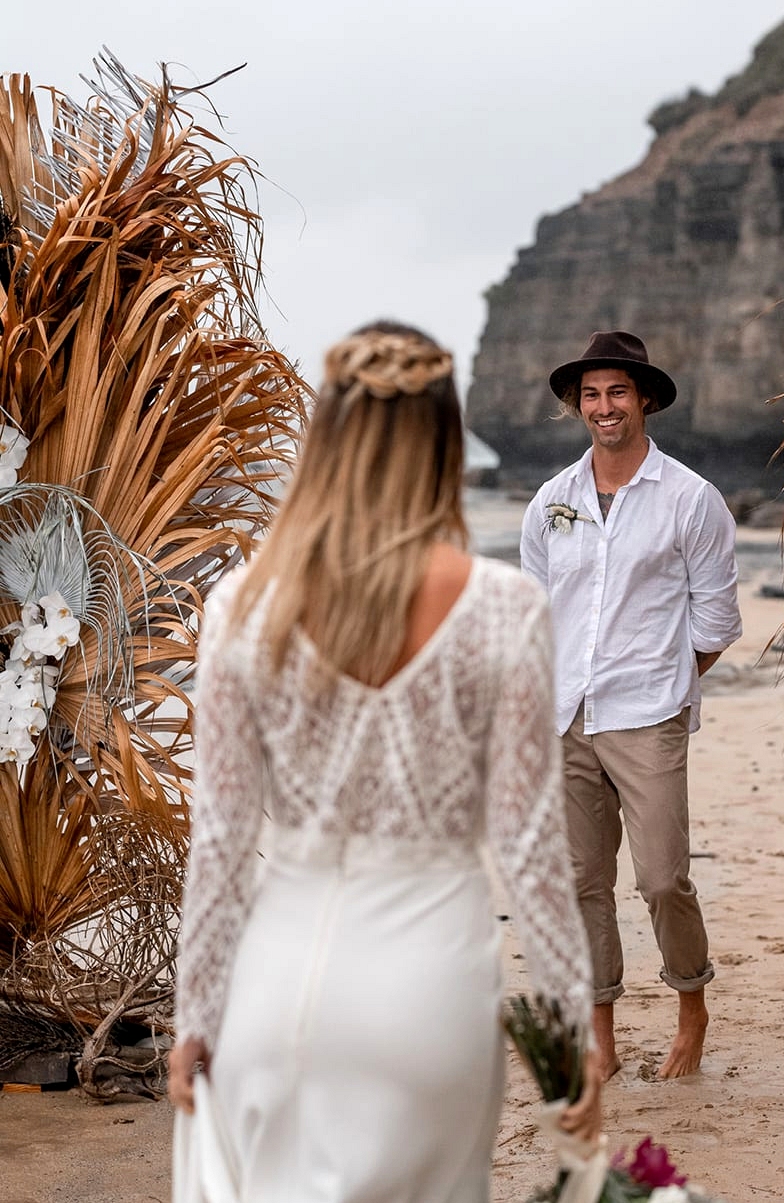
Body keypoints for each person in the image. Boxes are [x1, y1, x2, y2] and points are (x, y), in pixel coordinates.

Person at [168, 321, 600, 1203]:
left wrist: (195, 1015)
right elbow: (528, 847)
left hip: (275, 985)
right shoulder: (503, 609)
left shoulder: (241, 609)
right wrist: (570, 1029)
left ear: (324, 440)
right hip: (426, 994)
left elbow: (217, 840)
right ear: (447, 441)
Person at [520, 331, 742, 1082]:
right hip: (564, 718)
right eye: (589, 394)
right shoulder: (552, 501)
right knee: (583, 882)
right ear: (575, 405)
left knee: (659, 879)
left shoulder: (690, 499)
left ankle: (691, 1008)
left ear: (643, 399)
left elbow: (714, 621)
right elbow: (536, 610)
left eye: (617, 391)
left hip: (647, 716)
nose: (603, 406)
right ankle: (600, 1036)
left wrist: (667, 683)